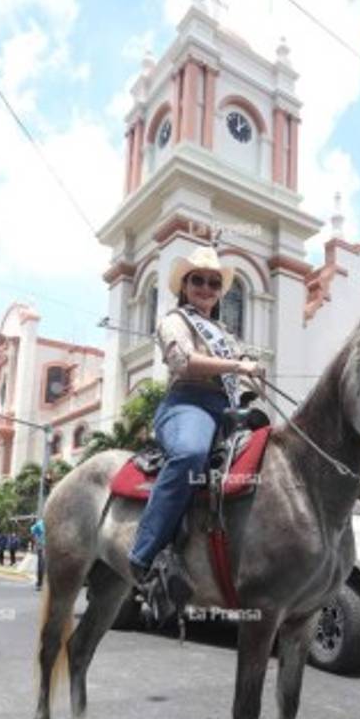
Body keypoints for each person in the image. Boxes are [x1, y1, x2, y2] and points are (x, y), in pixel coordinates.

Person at [128, 245, 264, 591]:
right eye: (198, 281)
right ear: (184, 286)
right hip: (188, 404)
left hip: (227, 410)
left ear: (220, 291)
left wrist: (253, 373)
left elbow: (242, 365)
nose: (206, 288)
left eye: (213, 283)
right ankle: (145, 554)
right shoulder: (173, 321)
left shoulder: (223, 333)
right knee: (190, 454)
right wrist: (238, 365)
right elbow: (183, 362)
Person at [30, 517, 45, 591]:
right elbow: (32, 531)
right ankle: (40, 583)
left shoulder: (40, 523)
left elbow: (32, 531)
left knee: (42, 565)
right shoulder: (40, 524)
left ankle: (41, 583)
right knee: (42, 565)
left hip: (46, 547)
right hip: (43, 547)